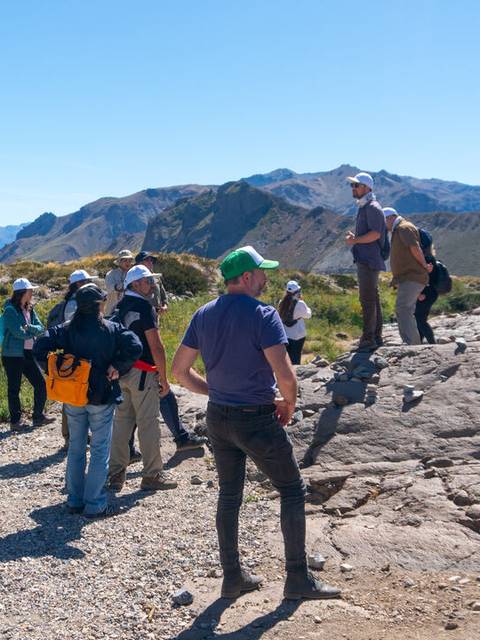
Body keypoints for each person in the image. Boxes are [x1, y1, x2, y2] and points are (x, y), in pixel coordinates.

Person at [172, 245, 340, 601]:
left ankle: (232, 577)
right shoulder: (264, 314)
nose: (266, 278)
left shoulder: (203, 313)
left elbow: (178, 371)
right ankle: (298, 579)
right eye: (262, 272)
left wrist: (212, 391)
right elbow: (285, 373)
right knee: (292, 490)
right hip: (256, 417)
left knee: (229, 494)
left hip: (218, 417)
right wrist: (288, 403)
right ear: (247, 277)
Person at [33, 284, 142, 518]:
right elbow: (136, 346)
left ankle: (74, 500)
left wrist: (55, 370)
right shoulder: (111, 328)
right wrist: (118, 367)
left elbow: (40, 347)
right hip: (101, 396)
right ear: (99, 305)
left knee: (76, 447)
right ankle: (95, 504)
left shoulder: (65, 329)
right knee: (101, 450)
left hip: (73, 395)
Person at [108, 265, 179, 493]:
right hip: (143, 372)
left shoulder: (120, 306)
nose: (152, 284)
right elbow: (156, 346)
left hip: (121, 373)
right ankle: (152, 475)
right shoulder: (145, 307)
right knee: (148, 424)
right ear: (135, 284)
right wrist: (164, 378)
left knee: (121, 424)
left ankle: (116, 475)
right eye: (148, 280)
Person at [48, 269, 100, 448]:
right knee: (73, 395)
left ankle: (76, 436)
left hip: (72, 355)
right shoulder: (74, 305)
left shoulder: (69, 303)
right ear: (78, 284)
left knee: (74, 393)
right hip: (78, 355)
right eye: (86, 281)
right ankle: (70, 437)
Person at [1, 278, 54, 431]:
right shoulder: (10, 310)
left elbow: (40, 328)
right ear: (22, 292)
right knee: (14, 388)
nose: (32, 292)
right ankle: (15, 421)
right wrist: (29, 330)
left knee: (40, 384)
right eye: (30, 290)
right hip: (12, 355)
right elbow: (18, 333)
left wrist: (28, 327)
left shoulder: (29, 308)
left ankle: (38, 416)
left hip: (28, 352)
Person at [345, 172, 387, 351]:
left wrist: (355, 240)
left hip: (368, 260)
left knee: (367, 299)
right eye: (352, 185)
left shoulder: (372, 207)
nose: (353, 188)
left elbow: (376, 234)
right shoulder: (366, 206)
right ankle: (375, 336)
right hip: (367, 259)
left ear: (366, 188)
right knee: (372, 299)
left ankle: (368, 339)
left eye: (356, 185)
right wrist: (357, 238)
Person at [383, 208, 432, 345]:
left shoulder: (404, 228)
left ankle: (412, 344)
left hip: (412, 276)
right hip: (407, 278)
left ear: (390, 218)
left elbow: (415, 248)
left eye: (383, 221)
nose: (382, 225)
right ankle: (410, 342)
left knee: (403, 308)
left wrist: (423, 265)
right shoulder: (399, 229)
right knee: (404, 309)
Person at [278, 280, 312, 365]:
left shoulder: (281, 302)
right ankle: (296, 375)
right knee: (296, 357)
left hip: (285, 334)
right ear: (297, 291)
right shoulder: (300, 303)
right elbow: (308, 315)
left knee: (287, 357)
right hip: (298, 335)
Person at [414, 232, 438, 344]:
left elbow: (424, 278)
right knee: (420, 319)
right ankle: (419, 342)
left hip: (425, 293)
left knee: (420, 319)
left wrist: (419, 293)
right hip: (430, 293)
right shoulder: (430, 257)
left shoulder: (425, 259)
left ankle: (432, 344)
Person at [105, 250, 135, 315]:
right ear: (119, 262)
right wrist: (119, 287)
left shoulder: (133, 274)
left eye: (129, 260)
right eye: (125, 260)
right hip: (112, 309)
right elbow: (109, 288)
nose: (128, 262)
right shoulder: (111, 274)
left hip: (129, 310)